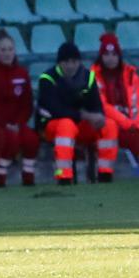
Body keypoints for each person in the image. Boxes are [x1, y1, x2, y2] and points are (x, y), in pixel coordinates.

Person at [37, 42, 118, 185]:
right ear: (59, 62)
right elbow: (55, 110)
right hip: (52, 127)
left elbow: (96, 106)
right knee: (66, 124)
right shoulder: (47, 78)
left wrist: (99, 117)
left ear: (79, 61)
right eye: (66, 62)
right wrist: (84, 115)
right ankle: (64, 176)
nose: (70, 66)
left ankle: (105, 174)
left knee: (109, 125)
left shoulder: (88, 77)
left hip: (81, 126)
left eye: (74, 61)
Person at [0, 29, 39, 187]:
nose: (7, 53)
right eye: (3, 50)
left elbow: (27, 104)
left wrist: (19, 122)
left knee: (31, 139)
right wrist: (2, 123)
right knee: (9, 139)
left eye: (10, 49)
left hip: (17, 123)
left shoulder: (22, 73)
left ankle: (28, 177)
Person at [90, 32, 139, 163]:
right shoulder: (93, 76)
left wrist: (135, 123)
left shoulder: (131, 74)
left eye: (114, 54)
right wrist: (127, 123)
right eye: (106, 54)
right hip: (109, 124)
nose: (110, 58)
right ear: (101, 56)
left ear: (119, 56)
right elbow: (103, 106)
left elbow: (137, 102)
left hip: (131, 124)